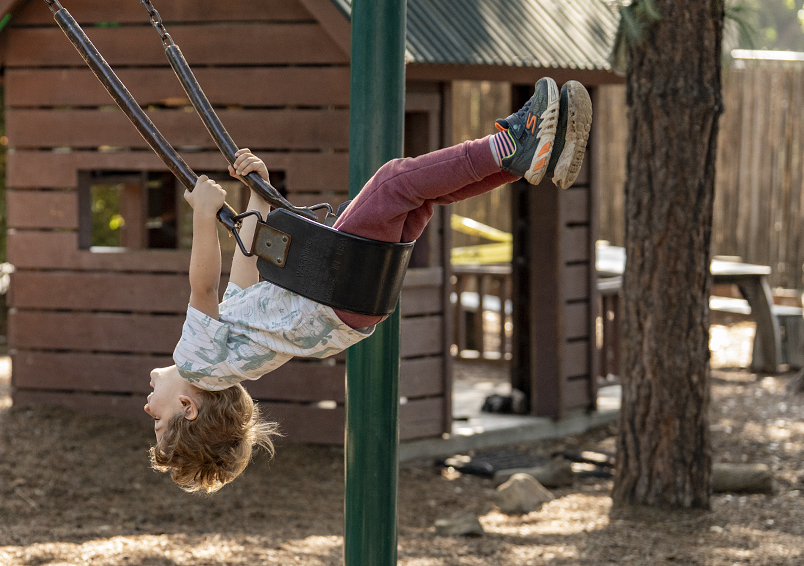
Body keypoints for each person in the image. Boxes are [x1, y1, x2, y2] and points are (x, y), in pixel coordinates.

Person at [145, 77, 592, 493]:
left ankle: (525, 158)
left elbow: (246, 267)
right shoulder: (196, 364)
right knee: (395, 182)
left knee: (419, 195)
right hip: (332, 286)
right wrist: (204, 216)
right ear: (188, 408)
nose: (149, 410)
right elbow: (202, 287)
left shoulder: (233, 361)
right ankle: (516, 141)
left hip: (354, 308)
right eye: (159, 422)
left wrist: (256, 194)